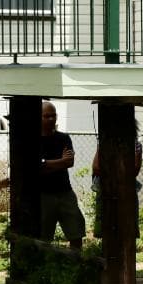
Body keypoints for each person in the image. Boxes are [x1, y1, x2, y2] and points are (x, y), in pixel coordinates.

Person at [40, 101, 85, 250]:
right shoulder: (34, 140)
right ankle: (46, 270)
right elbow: (37, 169)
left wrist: (46, 163)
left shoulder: (63, 138)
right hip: (44, 195)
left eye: (53, 116)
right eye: (47, 116)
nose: (51, 119)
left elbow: (69, 162)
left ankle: (75, 266)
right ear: (39, 117)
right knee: (44, 238)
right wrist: (60, 162)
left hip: (65, 192)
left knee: (76, 234)